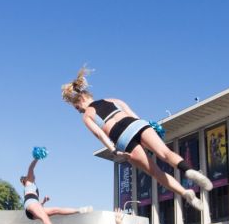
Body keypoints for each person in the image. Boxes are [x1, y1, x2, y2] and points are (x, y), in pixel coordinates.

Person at [61, 68, 211, 212]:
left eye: (76, 108)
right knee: (165, 153)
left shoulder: (87, 115)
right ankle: (188, 170)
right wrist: (147, 131)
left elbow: (101, 135)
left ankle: (185, 193)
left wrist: (114, 151)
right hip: (136, 124)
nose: (78, 111)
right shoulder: (112, 99)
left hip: (121, 138)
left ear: (79, 101)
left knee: (156, 172)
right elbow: (134, 115)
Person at [20, 155, 91, 224]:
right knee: (44, 217)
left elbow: (37, 207)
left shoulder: (32, 186)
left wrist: (43, 201)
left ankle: (79, 210)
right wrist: (37, 158)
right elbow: (31, 168)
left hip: (33, 204)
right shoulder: (28, 181)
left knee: (56, 210)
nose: (33, 176)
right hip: (30, 202)